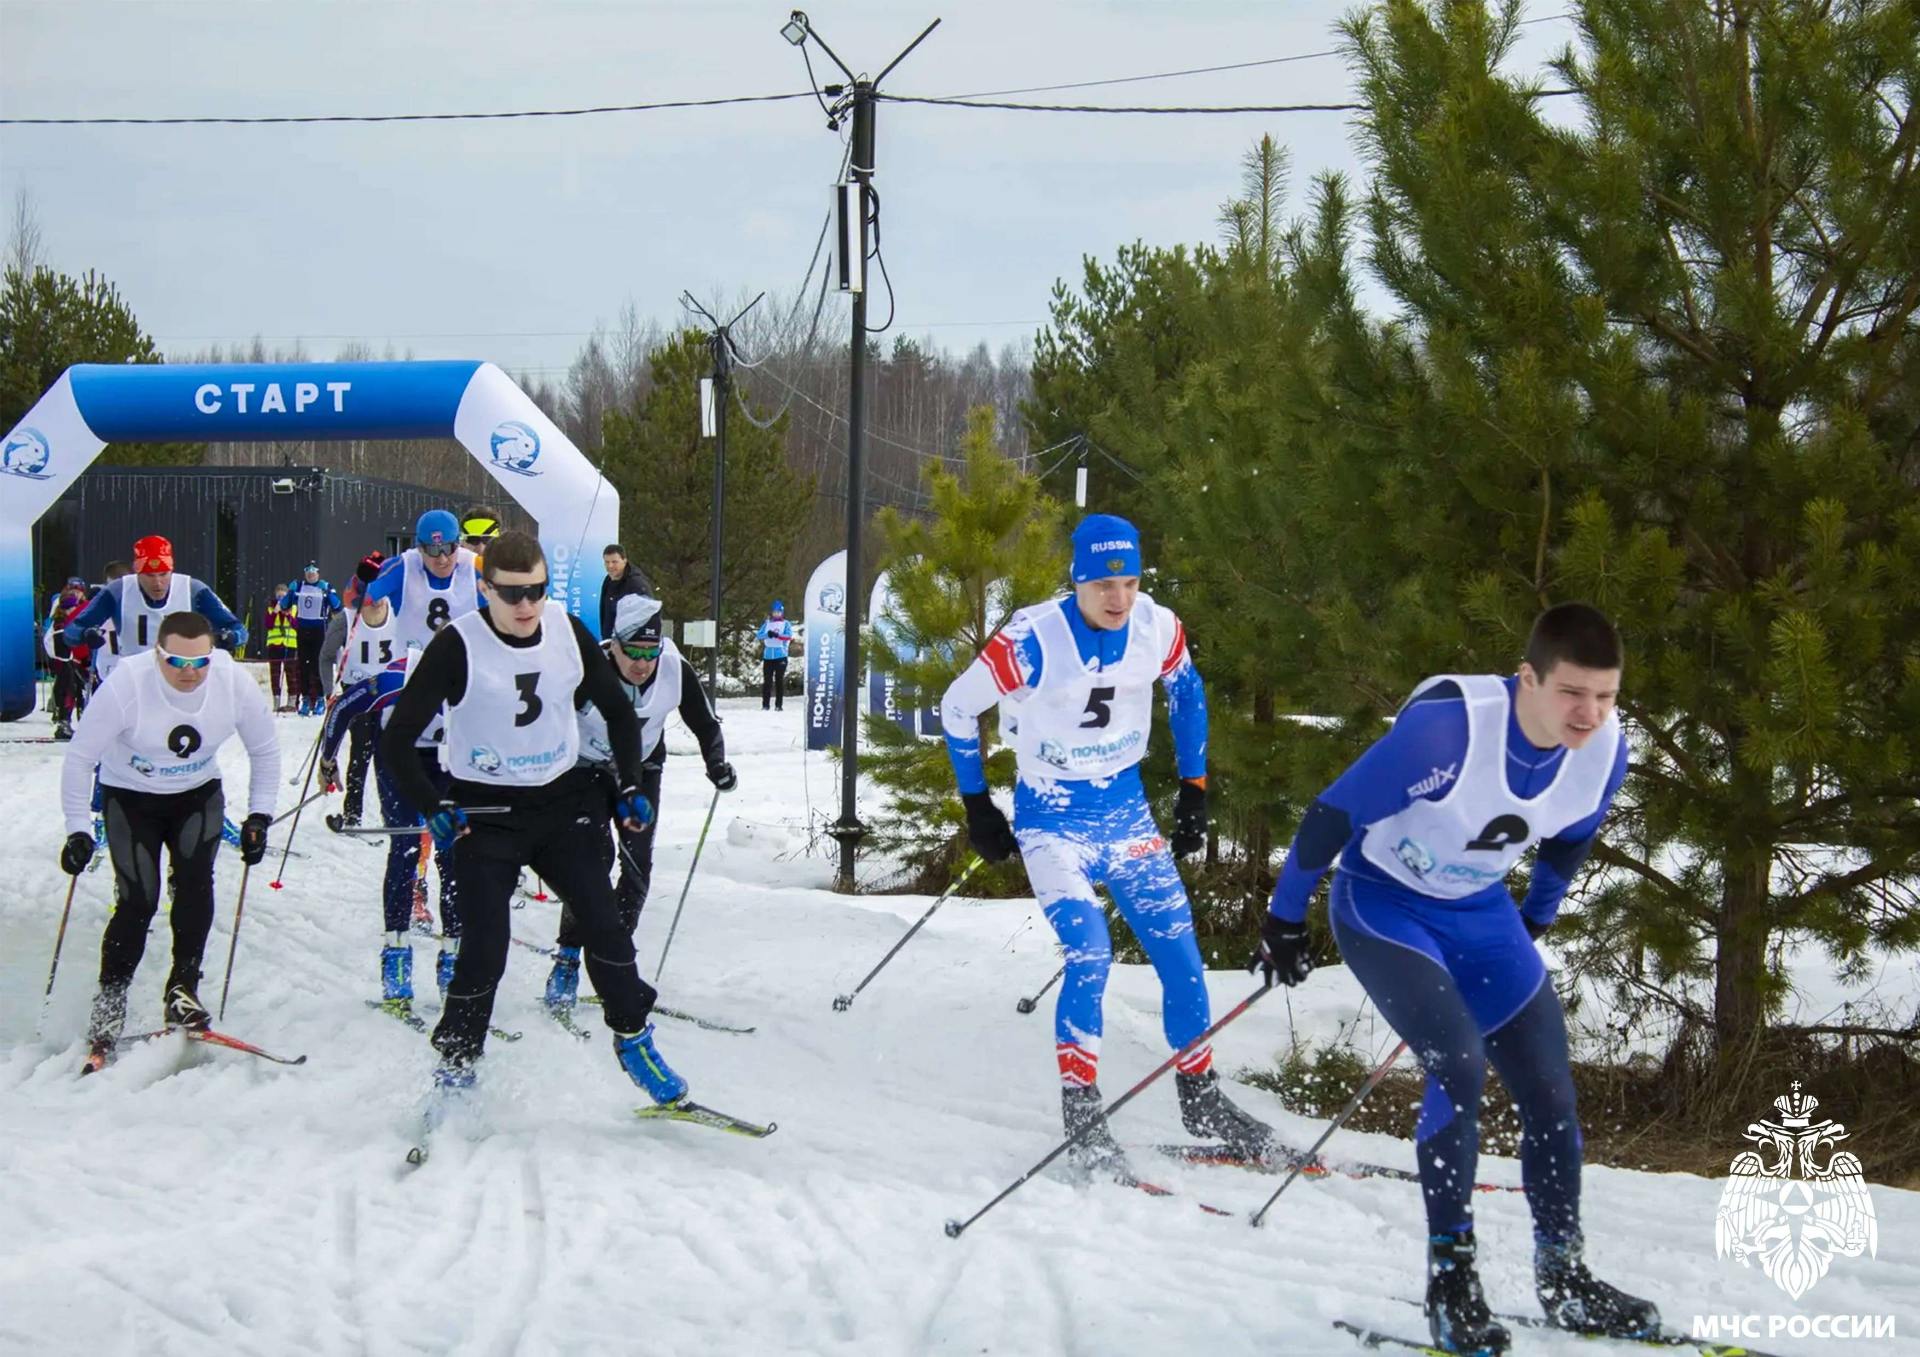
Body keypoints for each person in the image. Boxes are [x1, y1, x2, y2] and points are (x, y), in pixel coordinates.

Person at [1252, 603, 1650, 1354]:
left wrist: (1537, 912)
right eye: (1572, 693)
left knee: (1550, 1090)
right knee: (1459, 1062)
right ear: (1527, 677)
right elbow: (1329, 817)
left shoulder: (1604, 750)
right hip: (1384, 904)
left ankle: (1563, 1274)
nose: (1589, 713)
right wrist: (1283, 919)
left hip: (1480, 912)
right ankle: (1451, 1281)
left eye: (1605, 695)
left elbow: (1571, 833)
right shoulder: (1448, 732)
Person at [938, 513, 1275, 1178]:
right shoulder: (1033, 638)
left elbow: (1188, 690)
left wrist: (1194, 785)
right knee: (1089, 950)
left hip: (1125, 815)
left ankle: (1201, 1098)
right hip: (1053, 821)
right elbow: (955, 705)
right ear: (1077, 580)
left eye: (1129, 581)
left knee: (1180, 950)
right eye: (1103, 585)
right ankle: (1083, 1113)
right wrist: (977, 803)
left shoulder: (1157, 625)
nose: (1119, 598)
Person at [381, 530, 691, 1108]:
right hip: (485, 812)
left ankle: (634, 1038)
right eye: (512, 594)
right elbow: (397, 741)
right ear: (485, 587)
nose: (526, 606)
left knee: (603, 922)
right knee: (486, 945)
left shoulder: (567, 632)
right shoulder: (458, 645)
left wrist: (628, 784)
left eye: (537, 591)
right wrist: (433, 804)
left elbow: (622, 717)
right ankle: (457, 1057)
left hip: (560, 803)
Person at [59, 612, 280, 1072]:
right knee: (138, 901)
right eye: (177, 660)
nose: (190, 671)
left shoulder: (230, 680)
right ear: (158, 654)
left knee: (196, 885)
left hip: (196, 796)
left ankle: (183, 988)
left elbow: (264, 749)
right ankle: (110, 1001)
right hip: (131, 800)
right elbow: (80, 757)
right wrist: (78, 829)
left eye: (200, 661)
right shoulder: (127, 683)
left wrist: (260, 815)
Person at [544, 593, 735, 1013]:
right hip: (586, 769)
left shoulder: (673, 669)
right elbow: (546, 717)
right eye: (632, 651)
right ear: (613, 644)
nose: (641, 663)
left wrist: (717, 764)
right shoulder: (587, 668)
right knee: (592, 864)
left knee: (637, 866)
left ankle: (615, 961)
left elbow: (704, 722)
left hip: (643, 769)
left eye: (650, 651)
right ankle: (567, 959)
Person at [361, 510, 483, 989]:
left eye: (448, 548)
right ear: (418, 546)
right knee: (405, 844)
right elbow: (369, 611)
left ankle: (453, 950)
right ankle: (395, 950)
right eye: (431, 549)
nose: (440, 558)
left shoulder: (473, 567)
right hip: (406, 721)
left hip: (457, 723)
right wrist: (366, 590)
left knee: (453, 847)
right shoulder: (403, 567)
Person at [63, 536, 247, 673]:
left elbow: (239, 630)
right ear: (137, 572)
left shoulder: (193, 589)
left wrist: (230, 637)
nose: (157, 583)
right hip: (135, 678)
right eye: (150, 576)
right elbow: (72, 631)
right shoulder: (118, 591)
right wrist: (85, 634)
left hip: (181, 677)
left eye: (163, 574)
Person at [319, 553, 389, 825]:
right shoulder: (347, 619)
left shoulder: (397, 612)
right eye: (374, 598)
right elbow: (325, 657)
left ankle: (393, 815)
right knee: (360, 752)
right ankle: (352, 814)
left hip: (387, 694)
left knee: (388, 756)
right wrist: (329, 692)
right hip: (356, 694)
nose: (380, 602)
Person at [286, 563, 342, 715]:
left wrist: (328, 592)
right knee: (303, 666)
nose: (311, 574)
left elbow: (337, 606)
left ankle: (319, 699)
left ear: (318, 573)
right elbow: (285, 605)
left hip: (319, 630)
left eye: (313, 572)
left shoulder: (324, 587)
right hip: (303, 630)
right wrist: (290, 592)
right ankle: (305, 699)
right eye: (308, 571)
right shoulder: (299, 587)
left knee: (319, 665)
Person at [45, 577, 93, 739]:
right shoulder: (63, 601)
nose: (76, 593)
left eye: (79, 590)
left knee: (83, 687)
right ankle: (63, 721)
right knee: (68, 684)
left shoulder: (86, 605)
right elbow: (59, 623)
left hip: (81, 651)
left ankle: (84, 721)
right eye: (72, 589)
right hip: (64, 649)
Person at [598, 544, 654, 639]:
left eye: (614, 562)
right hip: (610, 643)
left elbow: (648, 616)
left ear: (624, 561)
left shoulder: (636, 584)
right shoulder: (608, 580)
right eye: (607, 562)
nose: (610, 566)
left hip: (630, 645)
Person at [264, 584, 300, 713]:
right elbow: (268, 624)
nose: (280, 596)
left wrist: (288, 615)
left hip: (289, 644)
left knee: (291, 674)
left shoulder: (294, 607)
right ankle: (276, 702)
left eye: (283, 594)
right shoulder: (270, 607)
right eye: (278, 594)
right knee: (275, 674)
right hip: (275, 644)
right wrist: (275, 612)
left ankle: (292, 702)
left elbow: (297, 625)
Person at [756, 600, 795, 711]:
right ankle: (765, 705)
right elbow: (759, 635)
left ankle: (779, 705)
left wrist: (778, 635)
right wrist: (767, 635)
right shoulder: (767, 623)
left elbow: (788, 636)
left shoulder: (786, 623)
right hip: (768, 656)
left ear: (782, 613)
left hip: (780, 655)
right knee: (767, 681)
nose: (776, 614)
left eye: (779, 612)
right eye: (775, 612)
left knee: (779, 680)